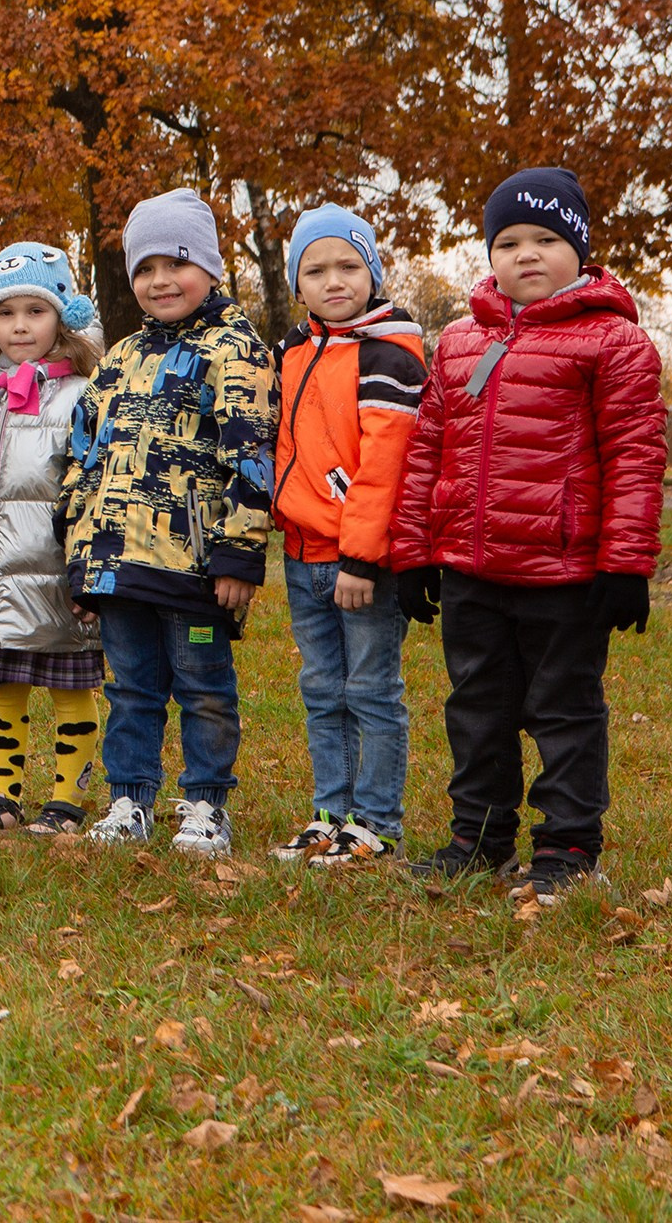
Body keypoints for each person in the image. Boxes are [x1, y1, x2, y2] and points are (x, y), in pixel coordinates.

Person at [389, 169, 664, 903]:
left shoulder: (614, 342)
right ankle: (477, 838)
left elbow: (635, 453)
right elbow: (427, 450)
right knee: (477, 708)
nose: (526, 254)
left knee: (563, 711)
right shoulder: (458, 341)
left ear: (579, 248)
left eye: (546, 239)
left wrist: (626, 562)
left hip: (564, 573)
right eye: (508, 242)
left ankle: (568, 847)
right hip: (474, 571)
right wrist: (413, 553)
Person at [62, 189, 277, 858]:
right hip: (119, 567)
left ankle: (206, 804)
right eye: (145, 268)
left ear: (210, 267)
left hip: (195, 566)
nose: (160, 280)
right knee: (130, 687)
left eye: (176, 263)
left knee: (204, 687)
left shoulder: (236, 352)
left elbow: (253, 459)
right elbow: (82, 456)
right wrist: (79, 558)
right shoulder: (119, 357)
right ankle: (130, 798)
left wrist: (239, 557)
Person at [268, 205, 426, 866]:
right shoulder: (294, 353)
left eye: (349, 266)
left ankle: (375, 823)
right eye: (316, 270)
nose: (335, 281)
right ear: (297, 285)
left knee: (370, 691)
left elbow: (385, 465)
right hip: (303, 555)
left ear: (374, 272)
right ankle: (329, 813)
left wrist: (363, 556)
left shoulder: (388, 354)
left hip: (360, 561)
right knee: (321, 688)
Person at [0, 243, 104, 837]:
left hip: (58, 572)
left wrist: (88, 568)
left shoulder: (82, 397)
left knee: (71, 683)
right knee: (5, 686)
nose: (20, 326)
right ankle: (2, 794)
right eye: (6, 312)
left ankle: (68, 797)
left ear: (62, 318)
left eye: (35, 312)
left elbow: (92, 484)